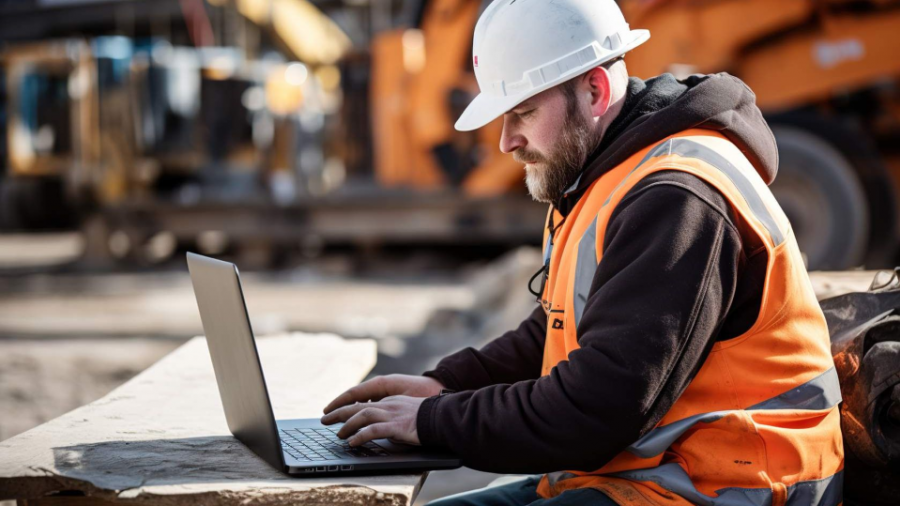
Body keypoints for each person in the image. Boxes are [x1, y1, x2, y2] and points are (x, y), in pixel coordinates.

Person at [321, 0, 844, 504]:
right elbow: (557, 328)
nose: (506, 142)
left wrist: (433, 421)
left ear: (594, 91)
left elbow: (596, 407)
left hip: (733, 487)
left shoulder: (678, 198)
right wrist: (443, 384)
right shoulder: (601, 175)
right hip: (643, 476)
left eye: (522, 112)